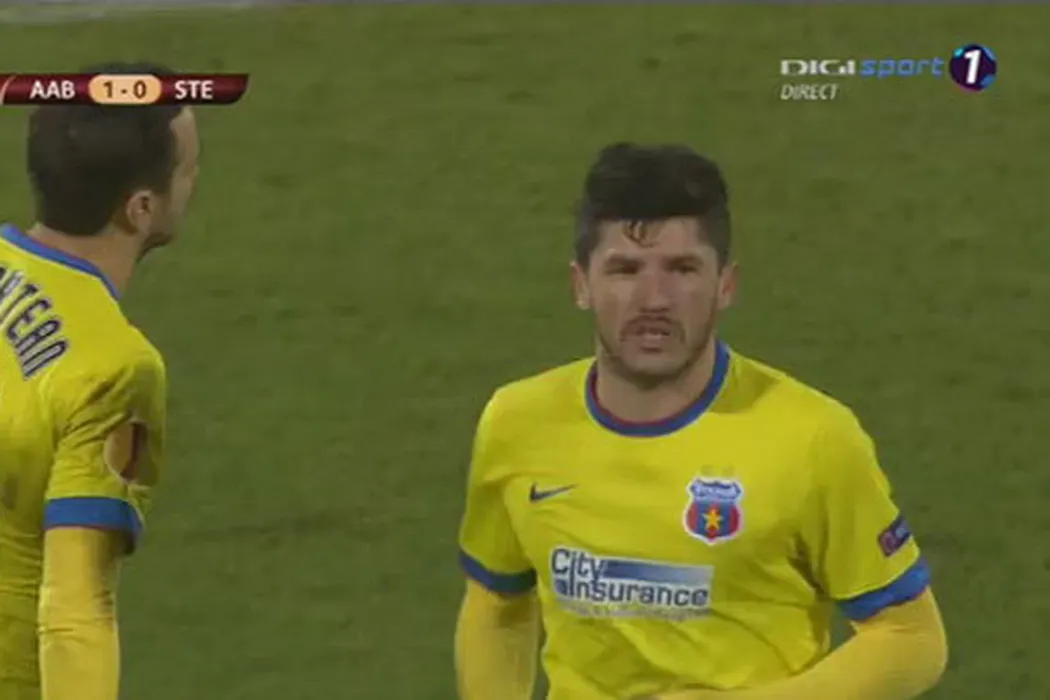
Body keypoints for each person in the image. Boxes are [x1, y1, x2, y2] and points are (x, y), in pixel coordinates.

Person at [454, 142, 948, 700]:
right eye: (625, 270)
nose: (654, 299)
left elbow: (910, 636)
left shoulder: (812, 437)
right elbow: (498, 603)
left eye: (683, 269)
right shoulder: (518, 423)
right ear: (581, 285)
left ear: (725, 285)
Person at [0, 61, 200, 700]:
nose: (194, 184)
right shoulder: (113, 369)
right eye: (188, 171)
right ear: (141, 209)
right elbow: (75, 607)